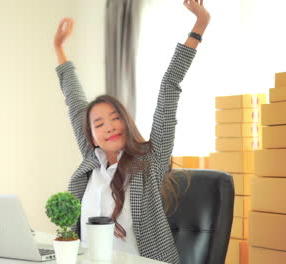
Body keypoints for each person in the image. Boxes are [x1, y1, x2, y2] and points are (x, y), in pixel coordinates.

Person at [53, 0, 210, 263]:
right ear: (91, 137)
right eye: (99, 124)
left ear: (126, 123)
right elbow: (74, 100)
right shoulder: (91, 162)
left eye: (115, 118)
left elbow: (169, 86)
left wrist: (200, 25)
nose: (110, 127)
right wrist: (58, 48)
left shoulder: (151, 160)